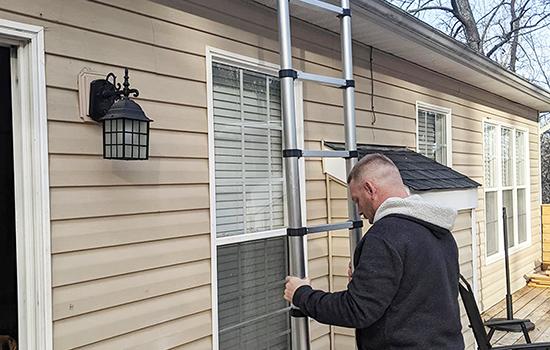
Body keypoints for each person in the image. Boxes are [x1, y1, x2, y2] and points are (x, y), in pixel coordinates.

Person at [284, 153, 464, 349]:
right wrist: (366, 283)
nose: (359, 211)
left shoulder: (384, 236)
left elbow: (356, 310)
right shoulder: (439, 230)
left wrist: (301, 294)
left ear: (370, 189)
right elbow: (416, 296)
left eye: (357, 200)